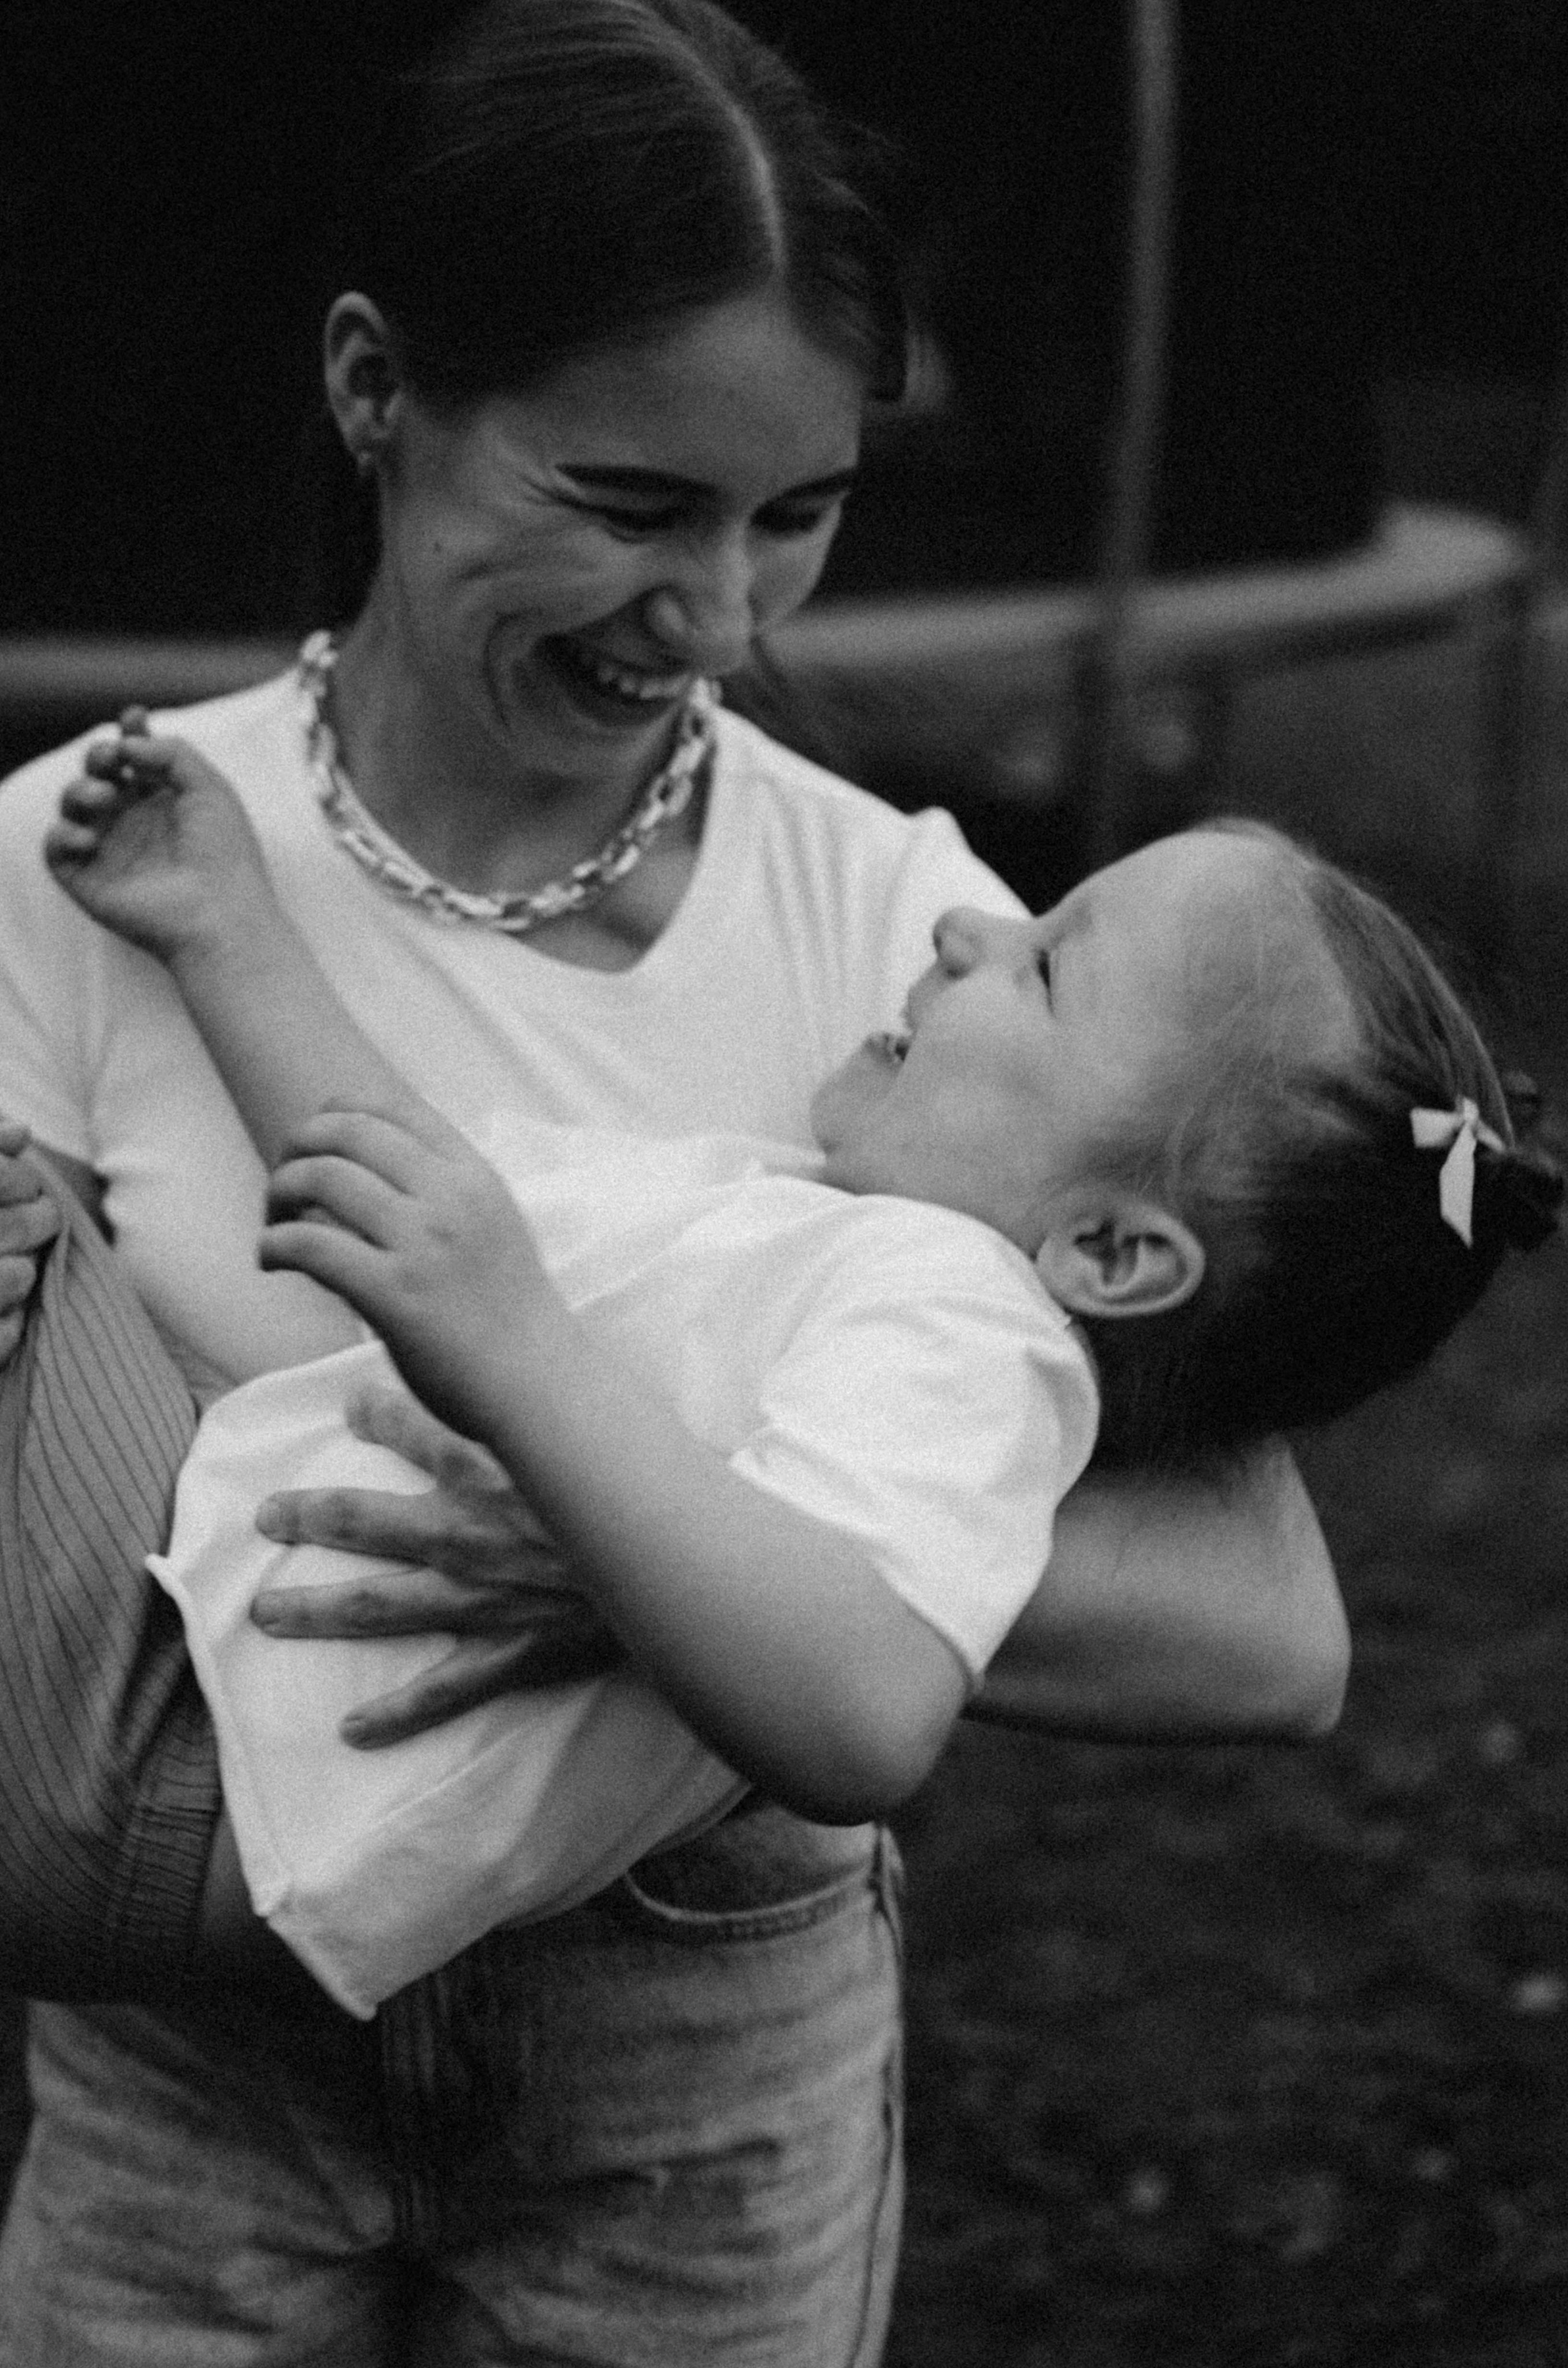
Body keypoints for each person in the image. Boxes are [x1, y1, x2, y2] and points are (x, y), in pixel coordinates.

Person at [0, 2, 1351, 2358]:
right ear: (373, 387)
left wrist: (640, 1538)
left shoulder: (907, 941)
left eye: (796, 514)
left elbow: (1263, 1622)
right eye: (632, 505)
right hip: (191, 2064)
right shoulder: (93, 861)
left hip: (691, 2079)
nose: (722, 624)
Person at [37, 719, 1562, 2032]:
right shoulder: (809, 1230)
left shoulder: (963, 1328)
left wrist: (519, 1355)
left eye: (1041, 966)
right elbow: (399, 1193)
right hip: (172, 1697)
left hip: (176, 1756)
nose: (962, 930)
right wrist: (221, 927)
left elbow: (863, 1713)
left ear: (1105, 1251)